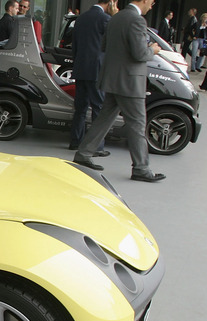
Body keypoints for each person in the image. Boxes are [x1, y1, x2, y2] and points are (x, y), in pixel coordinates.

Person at [72, 0, 165, 183]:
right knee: (137, 124)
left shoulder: (115, 18)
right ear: (144, 0)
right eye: (152, 2)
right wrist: (152, 50)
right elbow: (140, 54)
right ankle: (141, 168)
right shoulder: (137, 20)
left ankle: (83, 153)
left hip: (113, 79)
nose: (152, 5)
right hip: (130, 82)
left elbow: (104, 46)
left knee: (104, 119)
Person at [68, 0, 113, 156]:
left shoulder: (81, 18)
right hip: (96, 70)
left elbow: (74, 45)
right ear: (111, 2)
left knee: (80, 108)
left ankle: (75, 141)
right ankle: (96, 146)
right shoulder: (106, 19)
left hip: (81, 68)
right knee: (98, 108)